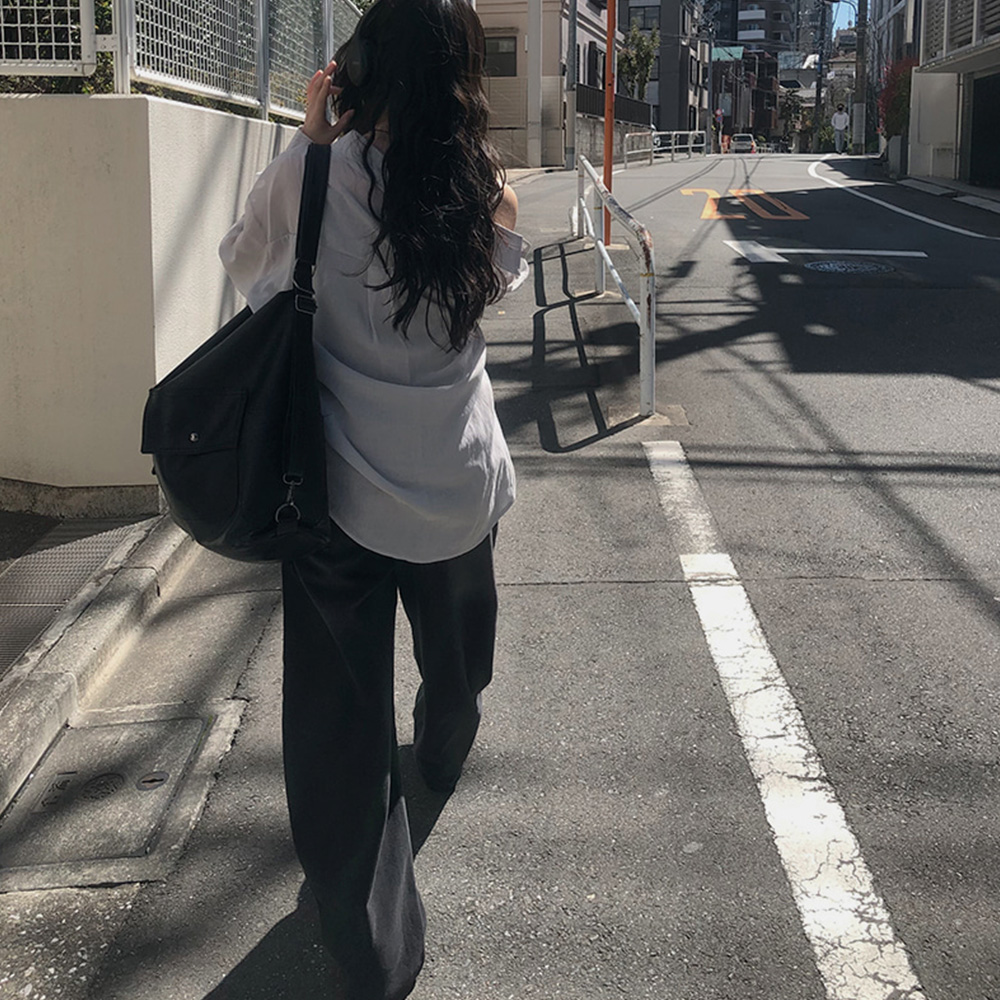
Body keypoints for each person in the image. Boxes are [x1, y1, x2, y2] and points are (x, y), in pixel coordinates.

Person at [218, 0, 527, 996]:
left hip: (333, 493)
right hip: (455, 485)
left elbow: (246, 272)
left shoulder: (308, 176)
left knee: (338, 724)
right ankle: (443, 738)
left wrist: (309, 148)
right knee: (459, 656)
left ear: (359, 69)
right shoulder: (485, 191)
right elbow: (491, 291)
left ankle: (369, 941)